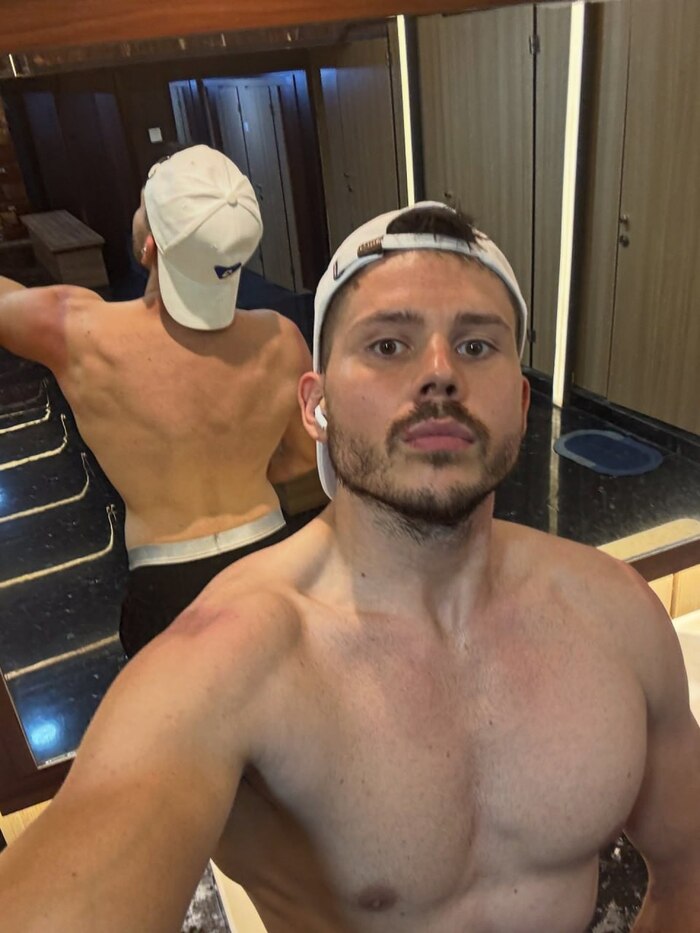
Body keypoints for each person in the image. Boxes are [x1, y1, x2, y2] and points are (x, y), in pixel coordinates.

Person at [0, 202, 698, 933]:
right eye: (389, 344)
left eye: (477, 345)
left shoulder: (615, 614)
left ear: (522, 406)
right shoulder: (225, 666)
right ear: (316, 405)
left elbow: (691, 875)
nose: (439, 373)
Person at [0, 145, 321, 657]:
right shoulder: (282, 339)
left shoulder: (77, 330)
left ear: (149, 248)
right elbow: (306, 456)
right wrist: (241, 465)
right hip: (273, 556)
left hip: (167, 581)